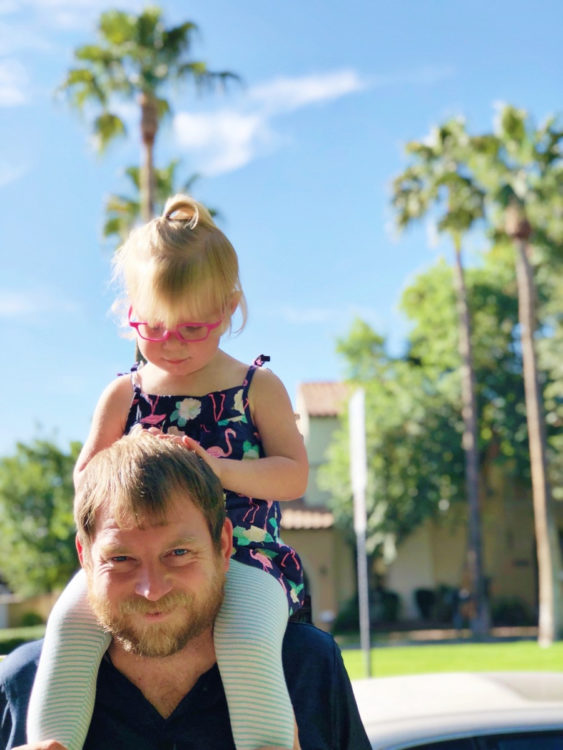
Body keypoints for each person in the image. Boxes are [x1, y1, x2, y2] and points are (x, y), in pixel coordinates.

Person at [27, 195, 309, 750]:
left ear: (231, 310)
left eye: (192, 329)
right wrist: (129, 456)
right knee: (69, 625)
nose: (172, 346)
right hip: (137, 557)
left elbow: (293, 476)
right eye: (152, 329)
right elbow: (86, 482)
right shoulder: (123, 393)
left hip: (246, 553)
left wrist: (213, 467)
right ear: (127, 311)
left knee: (245, 637)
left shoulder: (256, 388)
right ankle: (51, 742)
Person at [1, 432, 371, 749]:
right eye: (121, 558)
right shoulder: (23, 683)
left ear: (224, 546)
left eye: (178, 553)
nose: (151, 589)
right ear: (85, 557)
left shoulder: (306, 665)